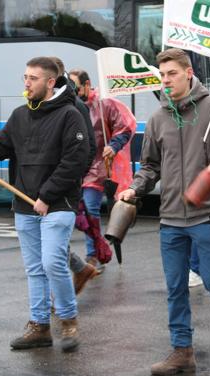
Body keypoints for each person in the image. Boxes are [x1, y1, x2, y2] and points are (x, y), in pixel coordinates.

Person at [0, 57, 89, 352]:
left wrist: (47, 195)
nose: (26, 83)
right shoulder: (20, 115)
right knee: (34, 269)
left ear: (49, 82)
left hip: (58, 203)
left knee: (52, 262)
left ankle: (69, 320)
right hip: (24, 204)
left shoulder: (70, 115)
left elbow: (76, 160)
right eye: (24, 77)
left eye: (32, 78)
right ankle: (39, 327)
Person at [118, 48, 210, 376]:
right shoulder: (158, 118)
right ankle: (182, 350)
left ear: (188, 73)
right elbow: (150, 166)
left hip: (207, 212)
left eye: (172, 74)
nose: (165, 81)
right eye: (162, 75)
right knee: (175, 286)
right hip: (172, 216)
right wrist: (136, 187)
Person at [68, 69, 137, 270]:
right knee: (73, 213)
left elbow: (125, 127)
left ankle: (94, 255)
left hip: (100, 166)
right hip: (77, 167)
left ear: (87, 85)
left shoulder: (105, 104)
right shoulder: (69, 106)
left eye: (76, 87)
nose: (73, 91)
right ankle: (95, 251)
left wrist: (114, 145)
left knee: (90, 209)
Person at [48, 57, 99, 294]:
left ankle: (60, 303)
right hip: (48, 183)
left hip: (61, 185)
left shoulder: (74, 105)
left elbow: (88, 147)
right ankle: (79, 269)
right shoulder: (45, 102)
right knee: (49, 243)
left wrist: (75, 176)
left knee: (50, 247)